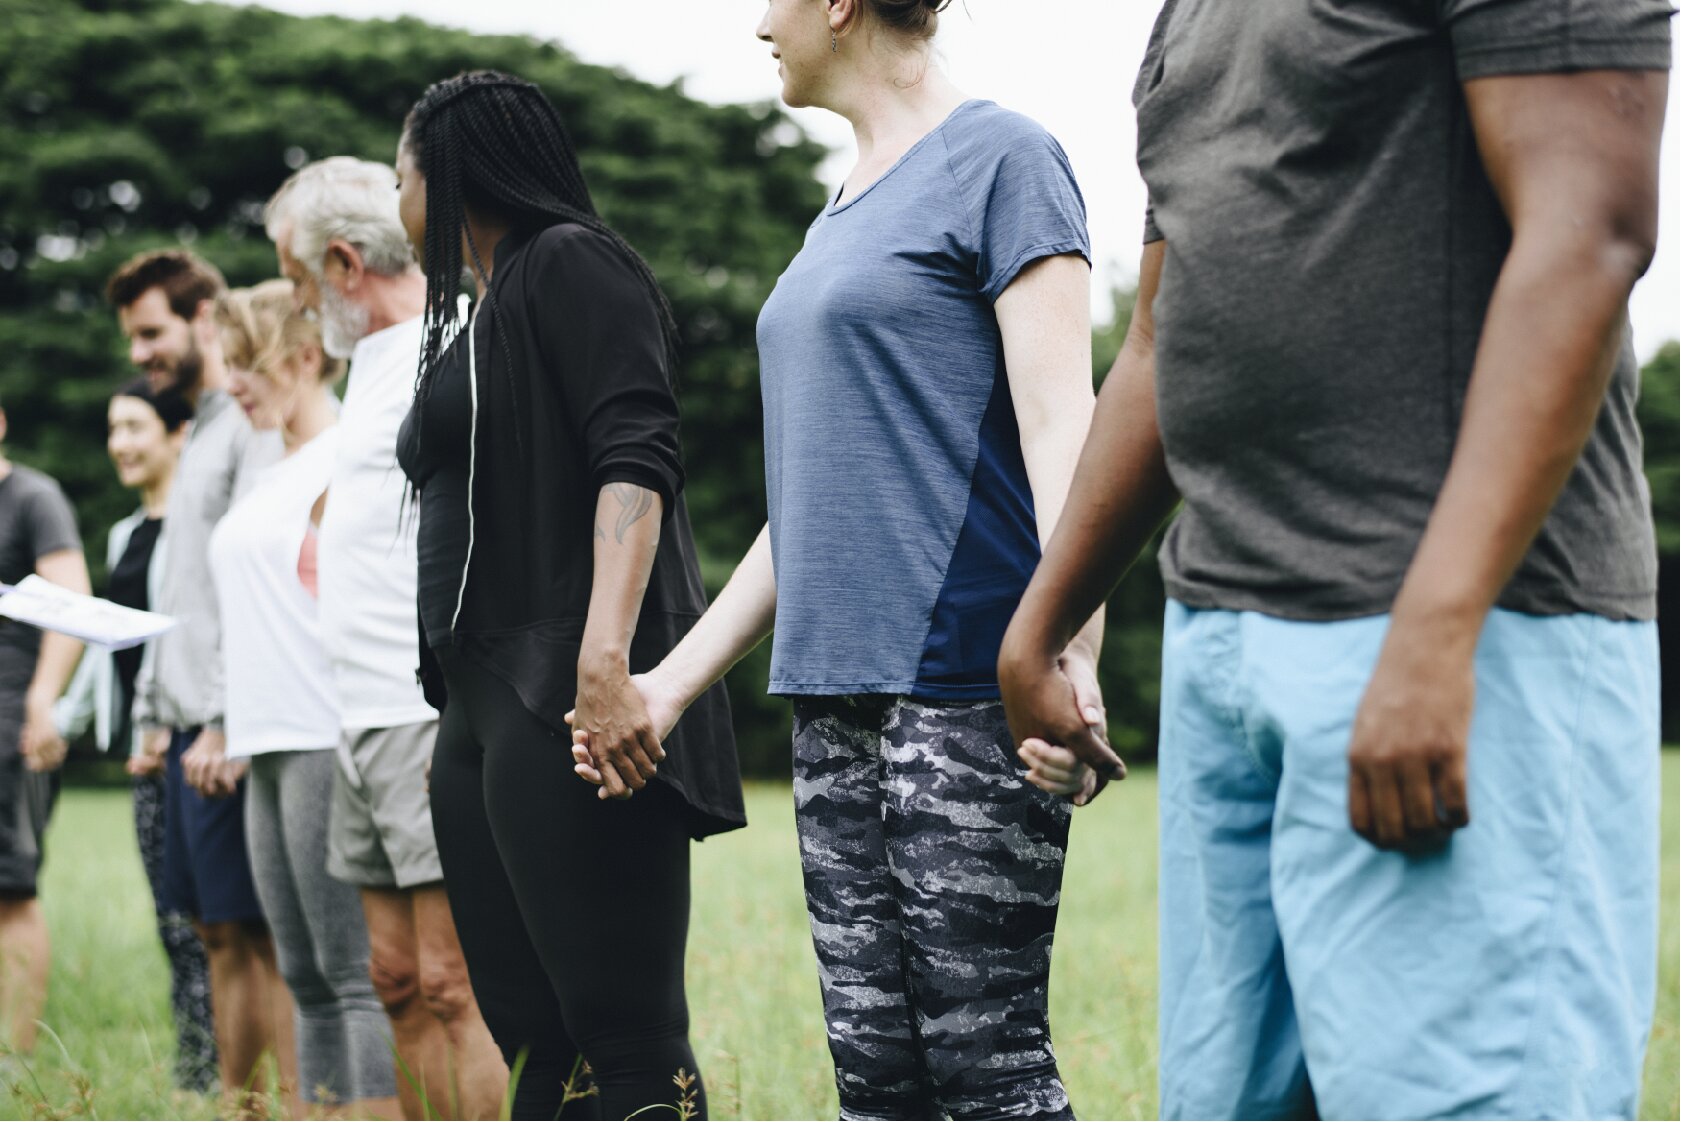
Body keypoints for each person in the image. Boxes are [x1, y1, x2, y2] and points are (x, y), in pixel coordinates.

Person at [996, 2, 1672, 1119]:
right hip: (1227, 641)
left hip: (1459, 635)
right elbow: (1168, 335)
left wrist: (1435, 627)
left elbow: (1589, 233)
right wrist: (1043, 617)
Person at [572, 1, 1103, 1115]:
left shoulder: (1004, 159)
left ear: (839, 4)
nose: (758, 22)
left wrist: (1071, 651)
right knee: (875, 1073)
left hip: (964, 679)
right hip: (833, 694)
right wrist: (668, 687)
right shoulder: (844, 207)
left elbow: (1065, 429)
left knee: (986, 1066)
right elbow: (807, 511)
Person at [393, 70, 745, 1121]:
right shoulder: (482, 304)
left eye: (397, 176)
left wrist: (604, 661)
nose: (395, 203)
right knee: (538, 1042)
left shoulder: (571, 263)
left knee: (626, 1038)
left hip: (567, 686)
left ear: (447, 172)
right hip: (482, 696)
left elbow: (634, 453)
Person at [263, 156, 505, 1121]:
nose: (294, 302)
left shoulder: (456, 353)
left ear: (341, 262)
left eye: (294, 279)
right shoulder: (367, 370)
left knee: (452, 983)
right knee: (394, 979)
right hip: (351, 716)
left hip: (423, 715)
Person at [108, 250, 294, 1103]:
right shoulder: (197, 432)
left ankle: (286, 1109)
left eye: (153, 333)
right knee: (216, 933)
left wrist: (222, 717)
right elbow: (182, 594)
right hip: (184, 729)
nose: (142, 353)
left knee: (256, 937)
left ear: (205, 319)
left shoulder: (247, 427)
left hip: (227, 728)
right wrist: (157, 712)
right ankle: (238, 1107)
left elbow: (252, 584)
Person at [208, 280, 397, 1117]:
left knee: (353, 976)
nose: (231, 384)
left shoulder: (346, 452)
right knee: (304, 975)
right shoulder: (269, 465)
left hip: (325, 732)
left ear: (305, 357)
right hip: (265, 738)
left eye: (246, 364)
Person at [53, 379, 218, 1092]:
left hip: (189, 741)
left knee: (214, 925)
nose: (119, 443)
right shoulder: (125, 534)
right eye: (112, 428)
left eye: (134, 427)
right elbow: (105, 653)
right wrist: (62, 722)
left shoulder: (198, 528)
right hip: (140, 757)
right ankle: (196, 1069)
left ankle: (227, 1070)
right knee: (172, 923)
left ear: (177, 433)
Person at [0, 397, 89, 1055]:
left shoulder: (33, 497)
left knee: (10, 890)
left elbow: (70, 601)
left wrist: (41, 701)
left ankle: (14, 1054)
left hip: (8, 721)